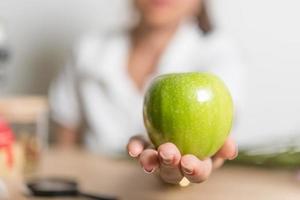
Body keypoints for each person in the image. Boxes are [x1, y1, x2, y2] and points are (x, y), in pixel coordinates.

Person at [50, 0, 244, 184]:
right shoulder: (88, 50)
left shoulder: (218, 54)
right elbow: (65, 144)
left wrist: (196, 164)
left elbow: (217, 137)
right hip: (92, 185)